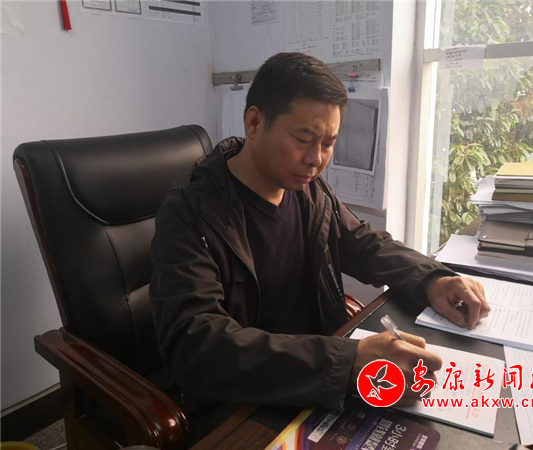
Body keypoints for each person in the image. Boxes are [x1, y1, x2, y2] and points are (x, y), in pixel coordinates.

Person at [149, 52, 489, 427]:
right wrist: (347, 360)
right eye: (304, 139)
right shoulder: (189, 214)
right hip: (242, 403)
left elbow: (363, 243)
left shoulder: (308, 191)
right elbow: (196, 346)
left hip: (319, 382)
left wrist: (432, 278)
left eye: (328, 143)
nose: (316, 159)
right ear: (254, 122)